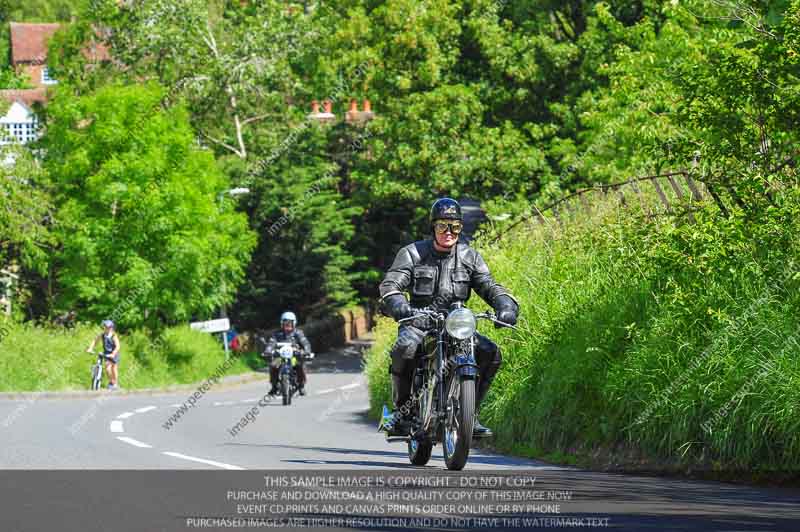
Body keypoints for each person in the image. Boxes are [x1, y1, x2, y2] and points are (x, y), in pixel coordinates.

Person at [379, 198, 519, 437]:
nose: (449, 232)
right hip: (418, 322)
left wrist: (505, 306)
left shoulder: (469, 257)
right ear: (433, 226)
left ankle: (469, 415)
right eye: (443, 225)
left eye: (455, 226)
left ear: (460, 228)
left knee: (490, 352)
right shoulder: (412, 253)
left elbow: (489, 285)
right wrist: (398, 304)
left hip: (456, 325)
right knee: (405, 348)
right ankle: (402, 413)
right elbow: (391, 284)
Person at [264, 311, 313, 396]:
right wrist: (268, 351)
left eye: (290, 323)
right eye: (285, 323)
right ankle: (274, 386)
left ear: (294, 323)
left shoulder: (298, 333)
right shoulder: (276, 334)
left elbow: (305, 343)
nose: (288, 325)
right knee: (273, 365)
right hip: (280, 356)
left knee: (300, 365)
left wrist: (306, 351)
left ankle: (301, 386)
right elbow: (271, 343)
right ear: (281, 323)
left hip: (294, 356)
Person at [87, 320, 121, 390]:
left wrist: (113, 353)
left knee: (114, 368)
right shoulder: (102, 335)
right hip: (106, 353)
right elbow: (95, 341)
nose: (107, 329)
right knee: (107, 368)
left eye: (108, 327)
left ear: (112, 328)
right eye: (105, 327)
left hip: (114, 353)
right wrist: (90, 348)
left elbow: (118, 346)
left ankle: (116, 383)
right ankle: (112, 382)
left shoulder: (113, 335)